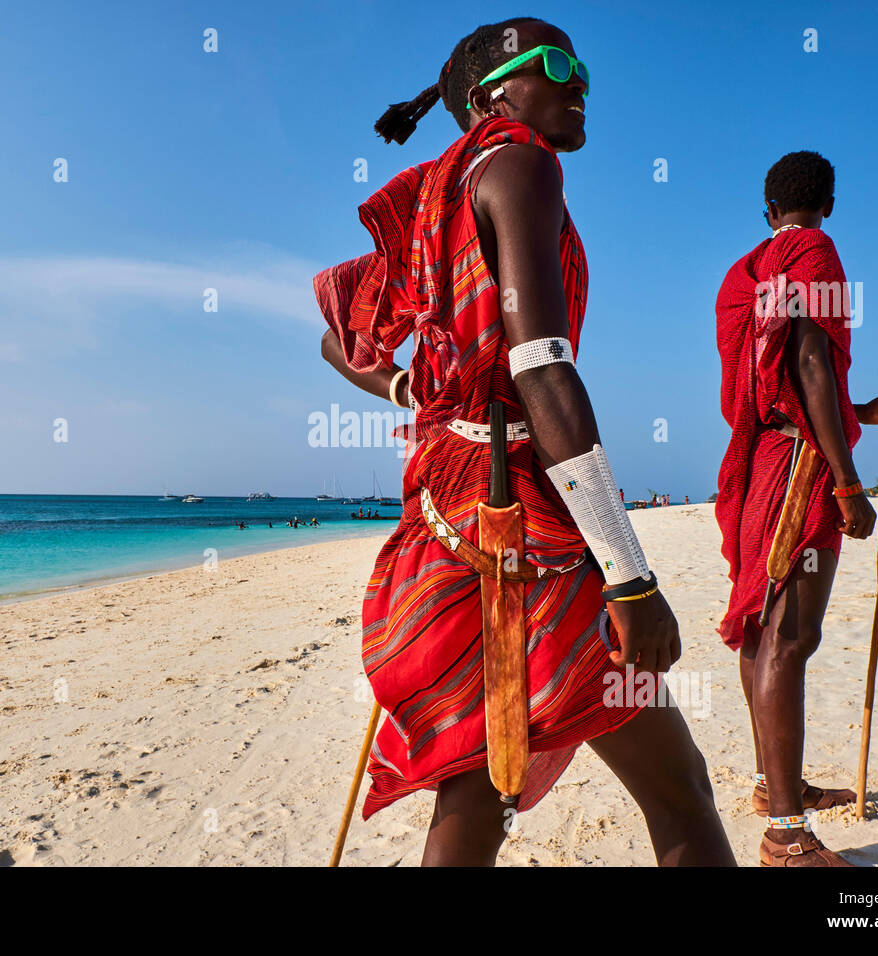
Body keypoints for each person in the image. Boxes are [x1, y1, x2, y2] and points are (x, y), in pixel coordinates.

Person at [317, 17, 733, 867]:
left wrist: (416, 392)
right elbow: (541, 367)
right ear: (491, 96)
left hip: (446, 503)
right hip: (514, 511)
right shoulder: (520, 163)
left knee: (479, 788)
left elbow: (337, 334)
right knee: (677, 787)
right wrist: (629, 577)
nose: (579, 81)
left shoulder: (436, 194)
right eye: (556, 64)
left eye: (583, 68)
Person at [715, 149, 878, 866]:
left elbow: (777, 388)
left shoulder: (744, 274)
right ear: (828, 204)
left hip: (758, 467)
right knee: (790, 640)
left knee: (760, 633)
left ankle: (776, 788)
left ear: (768, 210)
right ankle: (786, 835)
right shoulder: (817, 254)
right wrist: (848, 483)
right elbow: (806, 363)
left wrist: (858, 411)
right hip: (800, 472)